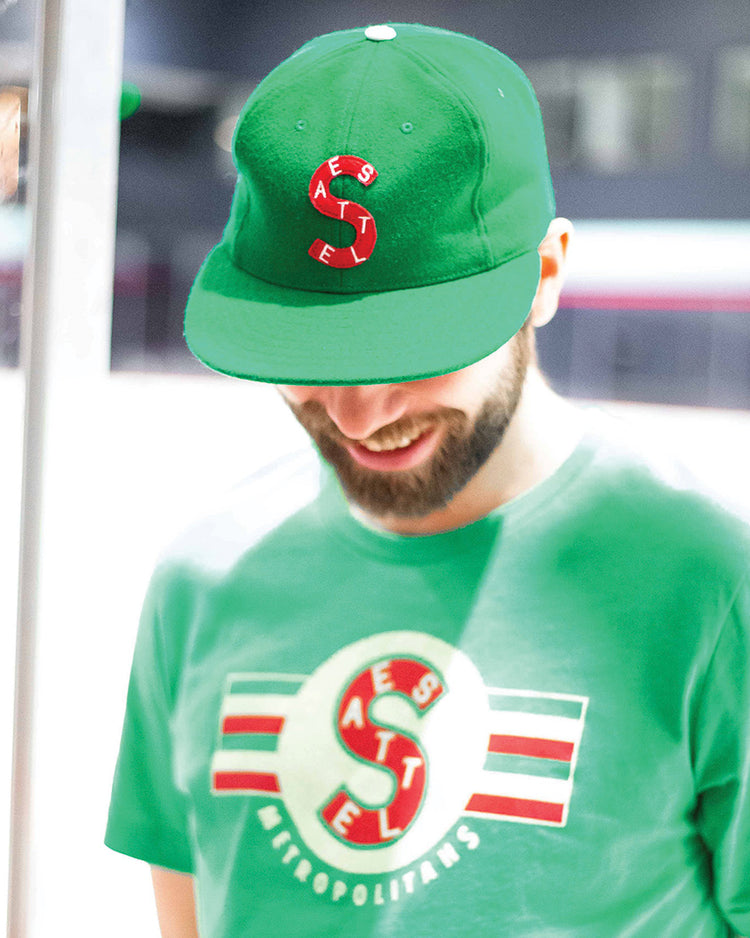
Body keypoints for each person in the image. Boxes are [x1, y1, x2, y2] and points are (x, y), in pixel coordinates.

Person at [105, 23, 750, 938]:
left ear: (546, 275)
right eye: (308, 356)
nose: (357, 416)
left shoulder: (709, 584)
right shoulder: (204, 574)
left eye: (414, 351)